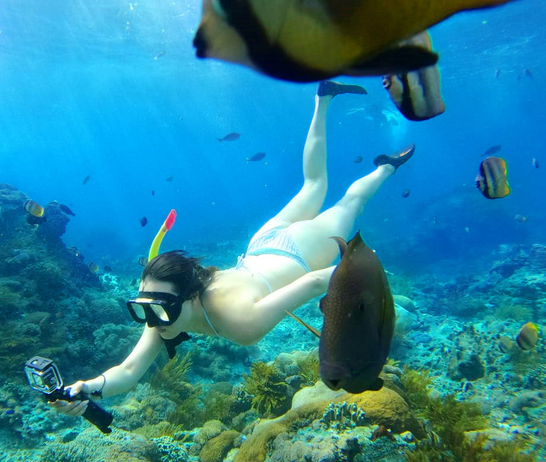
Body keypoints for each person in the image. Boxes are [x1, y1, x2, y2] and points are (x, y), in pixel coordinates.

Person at [53, 80, 415, 417]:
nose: (151, 320)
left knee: (348, 204)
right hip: (260, 245)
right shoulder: (165, 310)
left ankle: (386, 169)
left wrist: (369, 271)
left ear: (189, 296)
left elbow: (318, 281)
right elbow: (129, 371)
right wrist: (87, 388)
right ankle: (323, 99)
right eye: (142, 307)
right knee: (314, 185)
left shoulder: (237, 324)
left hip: (299, 252)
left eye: (157, 309)